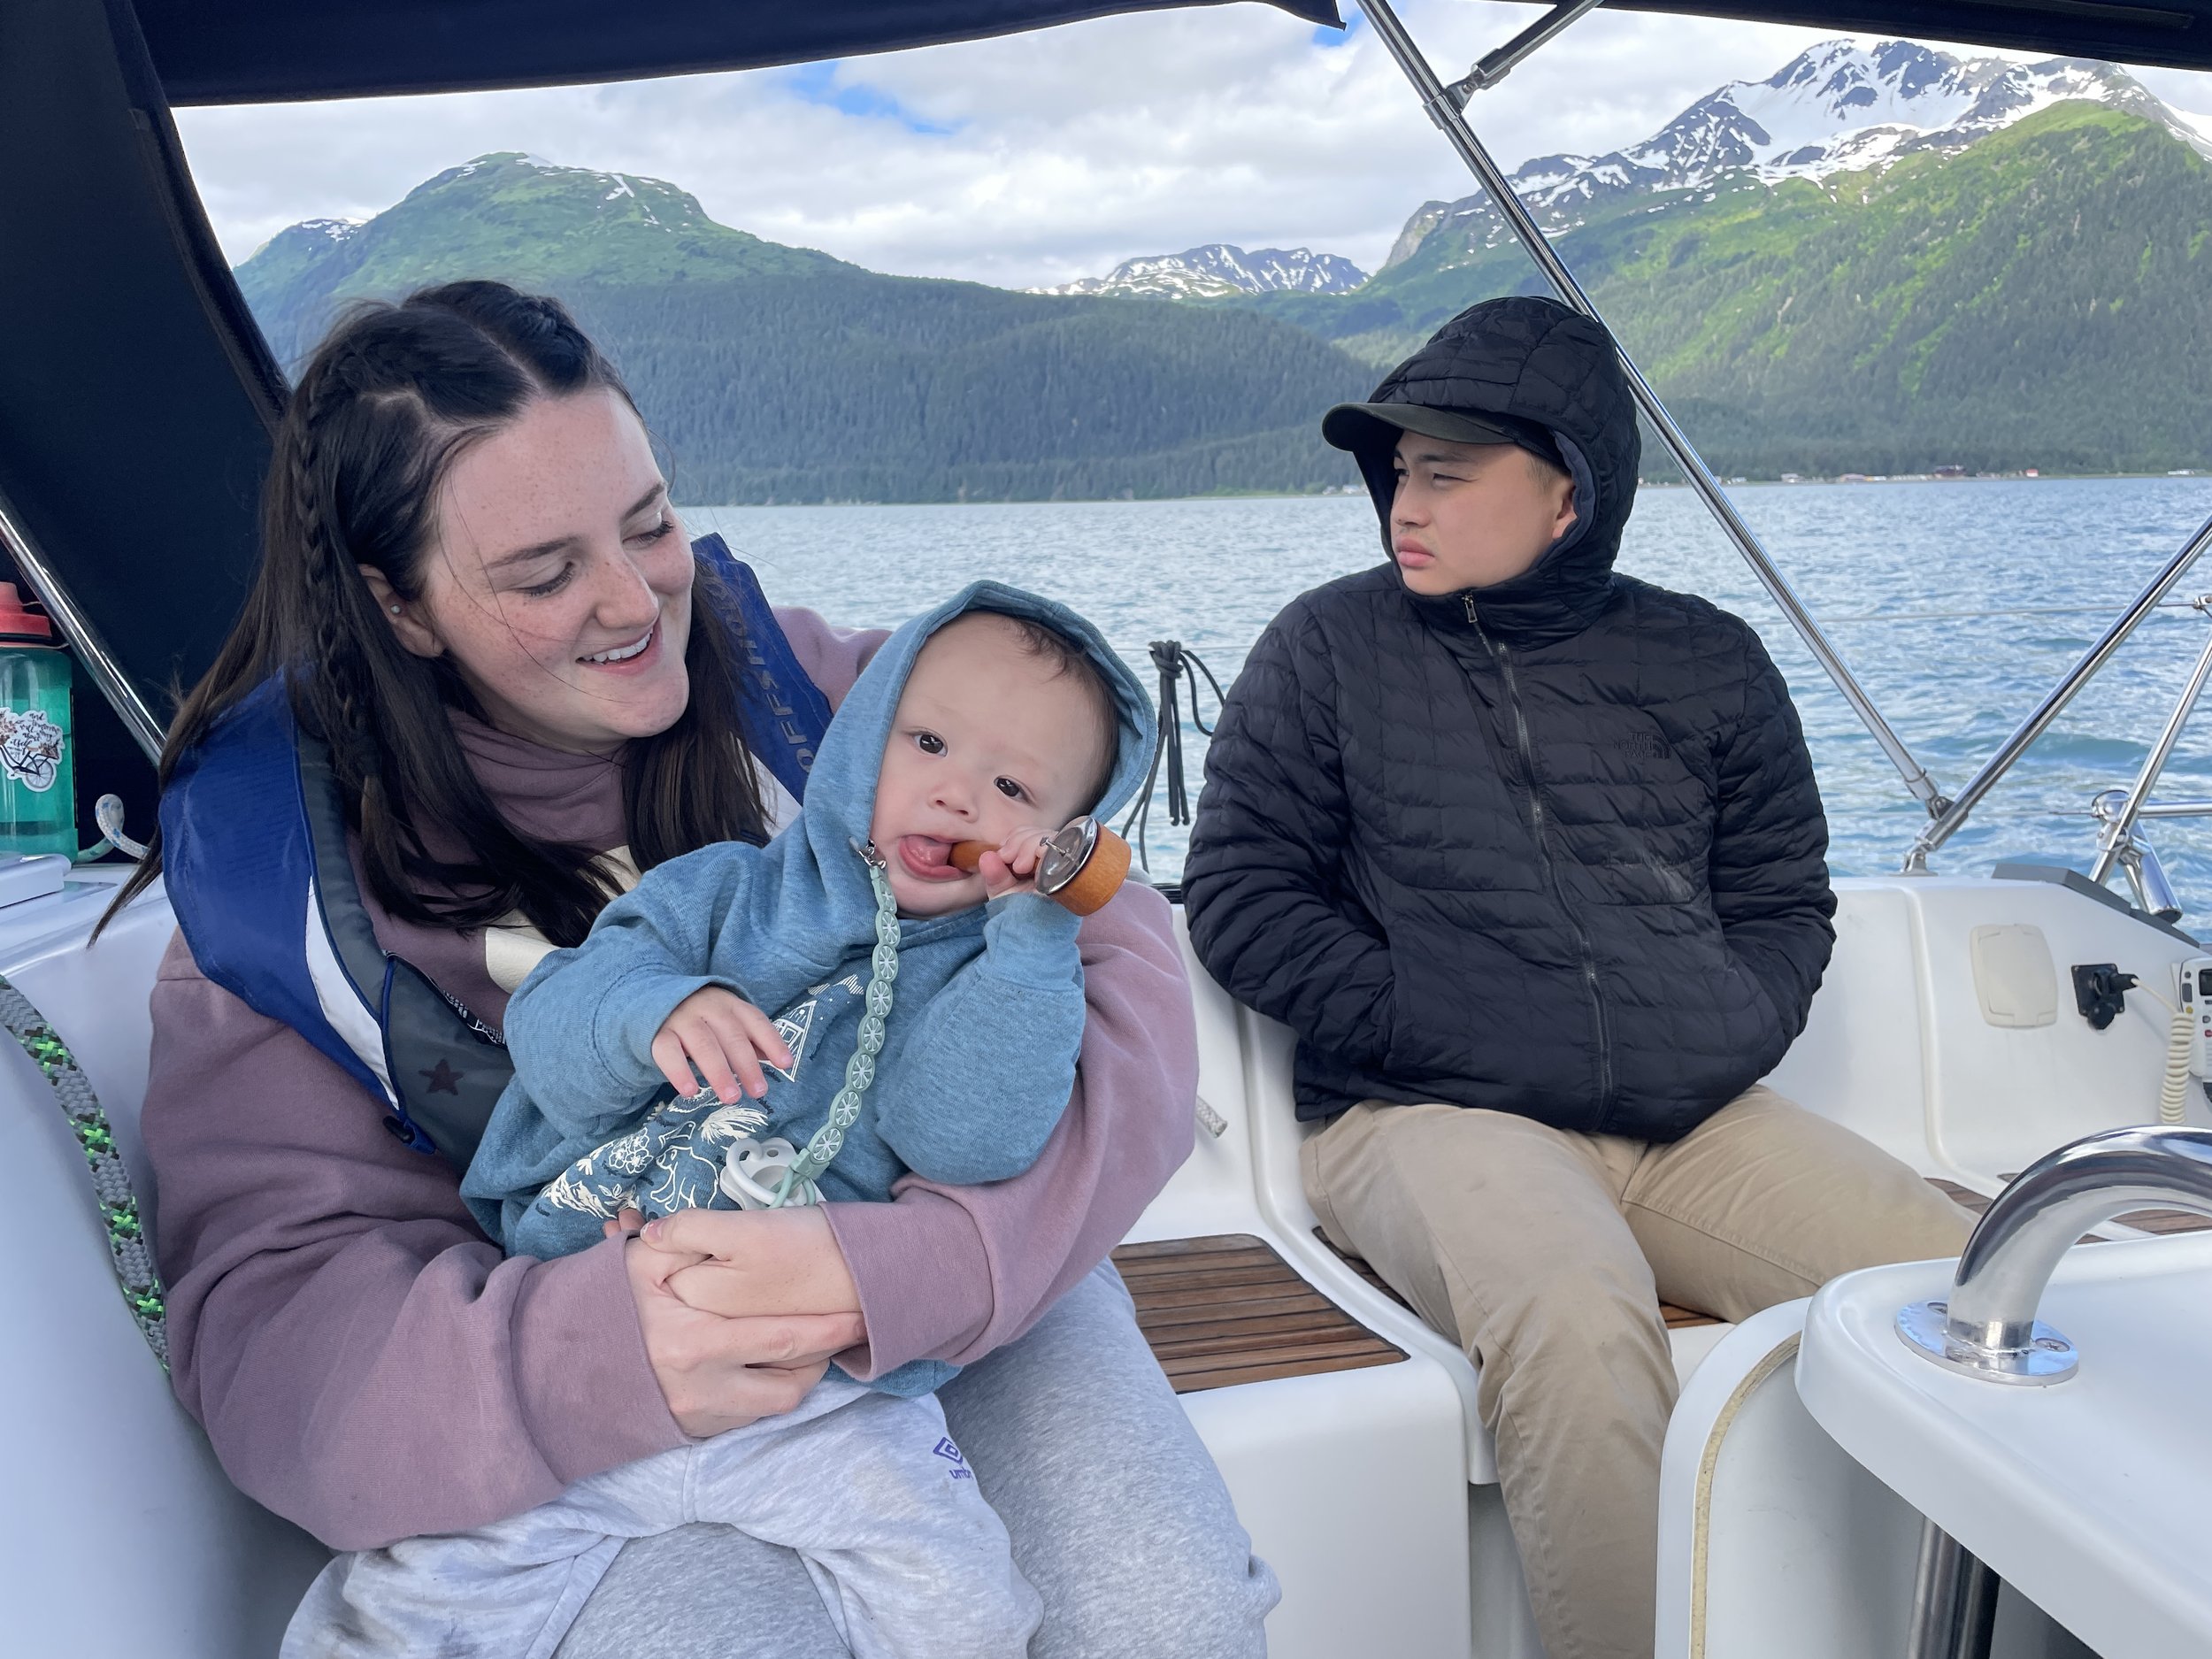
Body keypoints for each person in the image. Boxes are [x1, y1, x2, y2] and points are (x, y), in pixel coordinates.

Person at [130, 280, 1278, 1658]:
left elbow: (1119, 962)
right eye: (546, 573)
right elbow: (275, 1327)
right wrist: (613, 1346)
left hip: (963, 1291)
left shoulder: (837, 707)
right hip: (614, 1388)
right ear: (403, 604)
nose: (634, 602)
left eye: (648, 523)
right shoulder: (282, 902)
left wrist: (912, 1263)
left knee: (1171, 1613)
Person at [1180, 294, 1969, 1659]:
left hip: (1682, 1115)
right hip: (1422, 1111)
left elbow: (1782, 898)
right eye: (1396, 471)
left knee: (1958, 1283)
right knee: (1577, 1321)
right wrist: (1439, 1021)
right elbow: (1243, 900)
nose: (1404, 504)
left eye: (1447, 471)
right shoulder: (1327, 647)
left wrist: (1720, 1027)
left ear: (1567, 493)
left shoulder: (1707, 659)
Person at [298, 588, 1154, 1658]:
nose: (957, 793)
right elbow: (555, 1024)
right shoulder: (721, 892)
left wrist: (1032, 942)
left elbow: (962, 1142)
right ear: (860, 735)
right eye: (926, 741)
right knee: (404, 1601)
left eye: (1013, 786)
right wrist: (652, 1011)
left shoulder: (997, 973)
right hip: (587, 1347)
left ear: (1063, 836)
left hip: (826, 1397)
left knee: (962, 1598)